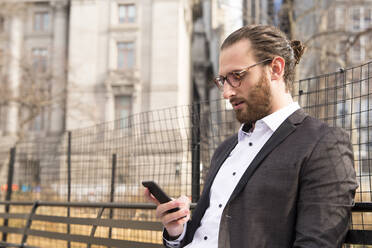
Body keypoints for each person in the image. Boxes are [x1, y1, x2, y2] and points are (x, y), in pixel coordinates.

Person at [145, 24, 358, 248]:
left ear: (275, 68)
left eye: (237, 76)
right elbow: (205, 234)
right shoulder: (226, 149)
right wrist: (176, 231)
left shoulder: (322, 143)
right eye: (223, 80)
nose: (227, 92)